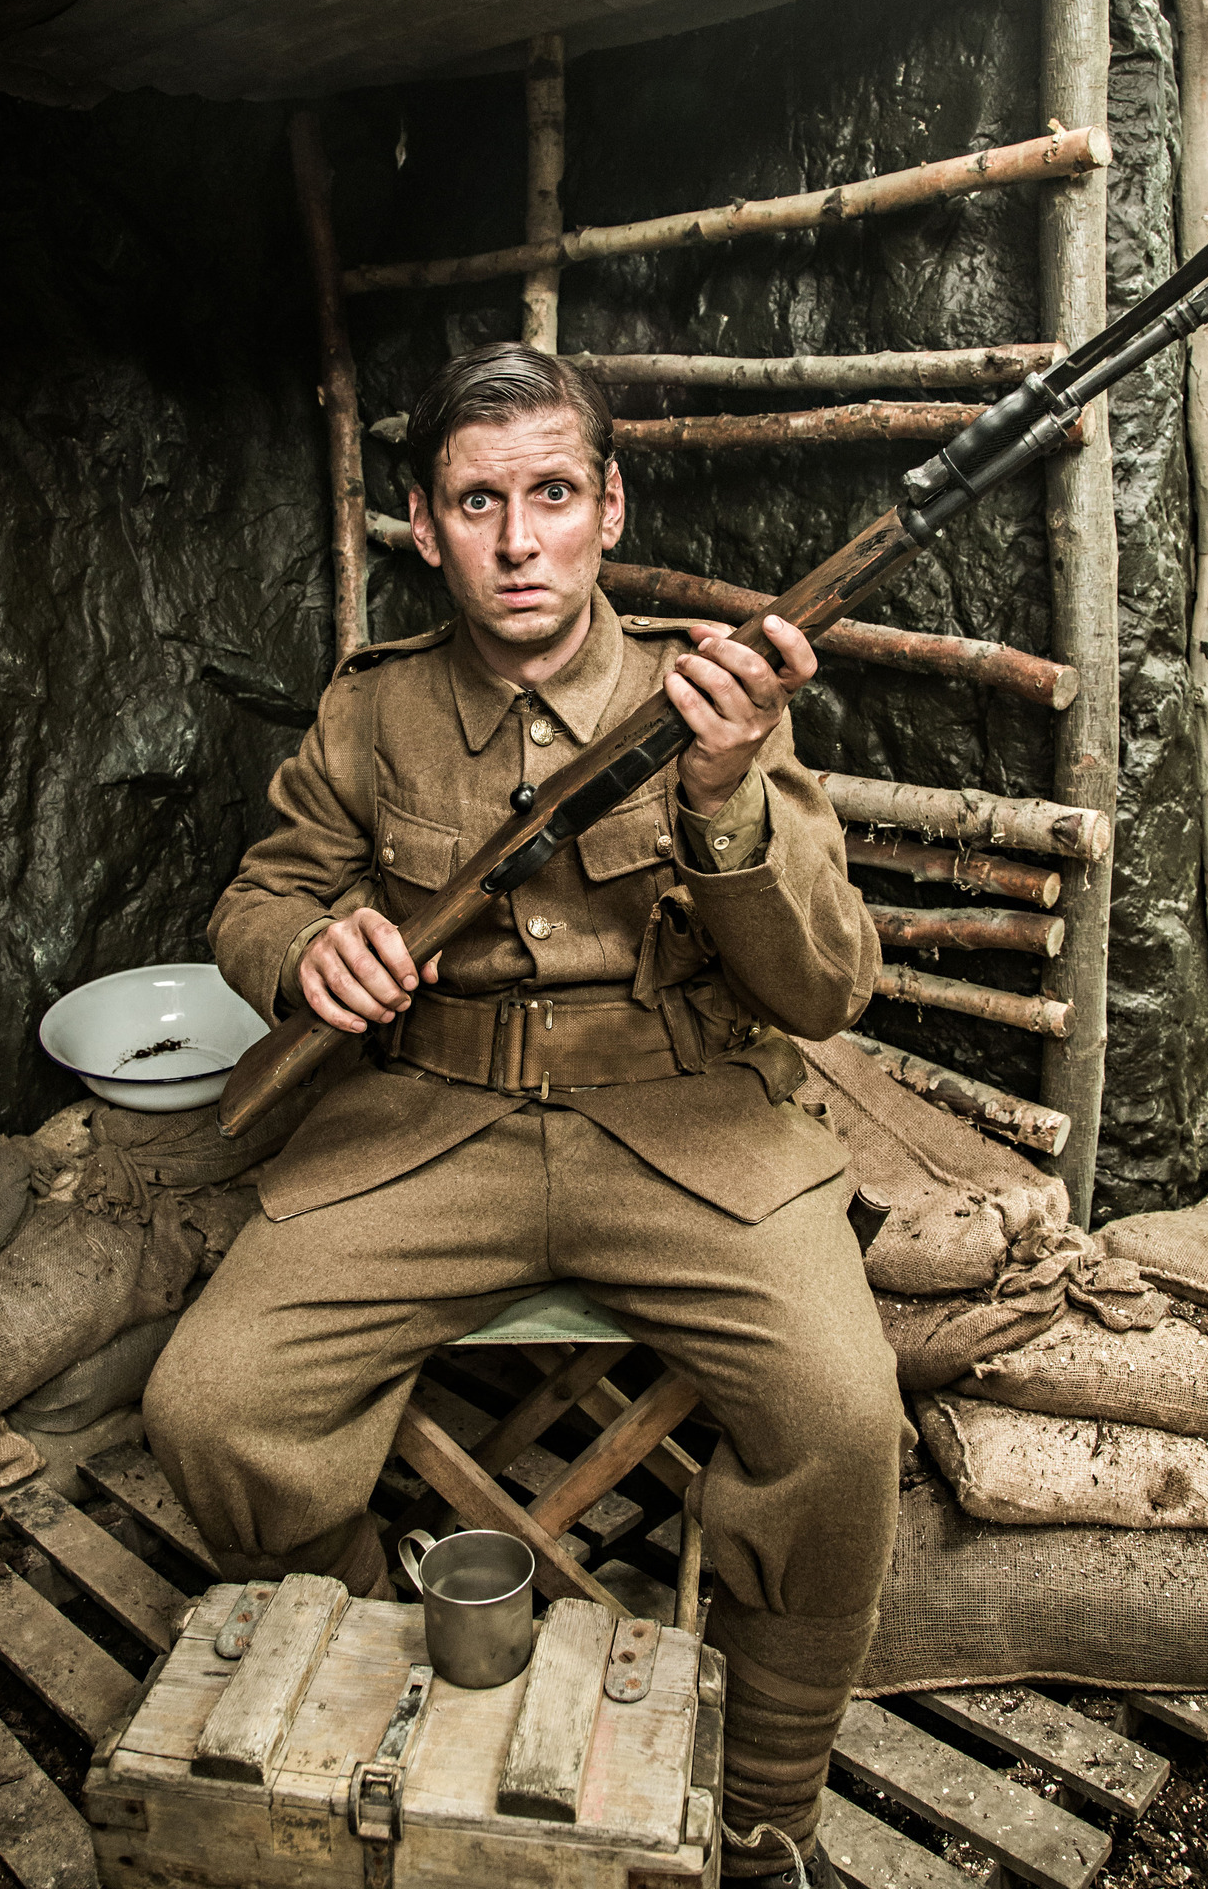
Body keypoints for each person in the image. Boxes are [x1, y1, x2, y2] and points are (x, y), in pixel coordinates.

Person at [145, 342, 908, 1888]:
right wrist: (309, 949)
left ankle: (764, 1810)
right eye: (477, 501)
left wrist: (724, 796)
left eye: (551, 494)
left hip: (685, 1122)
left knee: (840, 1421)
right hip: (425, 1119)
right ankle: (371, 1680)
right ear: (426, 527)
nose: (516, 541)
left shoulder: (714, 699)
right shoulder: (372, 710)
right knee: (209, 1408)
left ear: (608, 508)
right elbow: (261, 896)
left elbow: (826, 989)